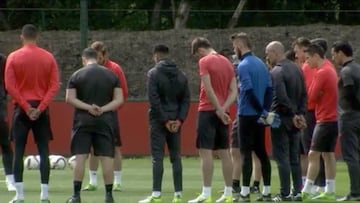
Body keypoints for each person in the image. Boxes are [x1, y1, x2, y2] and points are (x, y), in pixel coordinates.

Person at [5, 24, 60, 203]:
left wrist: (26, 107)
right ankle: (44, 194)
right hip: (41, 109)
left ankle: (19, 195)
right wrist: (41, 107)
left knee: (19, 150)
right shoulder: (48, 57)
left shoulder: (13, 57)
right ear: (38, 37)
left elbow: (10, 86)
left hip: (22, 108)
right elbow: (54, 86)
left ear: (22, 37)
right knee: (44, 150)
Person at [65, 47, 124, 203]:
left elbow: (70, 98)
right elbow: (119, 99)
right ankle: (109, 196)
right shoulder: (111, 74)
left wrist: (88, 107)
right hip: (105, 120)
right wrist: (102, 109)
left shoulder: (77, 75)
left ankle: (76, 196)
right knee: (106, 157)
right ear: (98, 58)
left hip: (83, 120)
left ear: (84, 59)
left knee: (80, 157)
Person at [138, 44, 190, 203]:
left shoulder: (153, 74)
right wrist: (179, 120)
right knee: (176, 157)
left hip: (159, 120)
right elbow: (186, 100)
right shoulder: (181, 75)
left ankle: (156, 194)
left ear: (156, 56)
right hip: (176, 120)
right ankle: (178, 194)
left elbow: (154, 100)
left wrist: (165, 121)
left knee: (157, 157)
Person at [188, 37, 237, 203]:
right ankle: (228, 193)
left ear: (200, 50)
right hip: (224, 112)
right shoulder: (227, 62)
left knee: (205, 152)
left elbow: (208, 89)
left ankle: (206, 194)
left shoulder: (205, 61)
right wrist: (223, 109)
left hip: (208, 110)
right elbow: (234, 91)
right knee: (224, 152)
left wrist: (217, 108)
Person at [231, 32, 274, 202]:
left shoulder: (243, 65)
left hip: (246, 114)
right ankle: (267, 191)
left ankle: (245, 192)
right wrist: (265, 110)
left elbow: (247, 91)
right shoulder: (262, 64)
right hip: (259, 115)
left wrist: (260, 110)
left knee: (245, 153)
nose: (235, 51)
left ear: (240, 46)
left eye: (235, 48)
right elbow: (270, 89)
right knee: (262, 153)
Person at [82, 41, 128, 192]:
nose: (97, 60)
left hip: (109, 113)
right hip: (92, 113)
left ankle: (118, 181)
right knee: (93, 148)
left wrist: (111, 109)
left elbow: (123, 92)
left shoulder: (114, 69)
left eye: (100, 57)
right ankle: (93, 181)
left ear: (105, 55)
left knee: (114, 148)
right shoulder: (88, 68)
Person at [265, 41, 307, 201]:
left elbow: (281, 97)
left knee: (282, 157)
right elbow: (304, 94)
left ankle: (285, 193)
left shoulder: (277, 71)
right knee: (294, 157)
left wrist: (293, 114)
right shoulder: (297, 69)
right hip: (295, 119)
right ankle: (297, 192)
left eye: (268, 53)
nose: (267, 57)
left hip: (281, 118)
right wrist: (300, 114)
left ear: (275, 52)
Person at [301, 43, 338, 201]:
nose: (306, 62)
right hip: (333, 119)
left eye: (308, 58)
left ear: (316, 56)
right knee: (328, 155)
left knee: (313, 154)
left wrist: (317, 93)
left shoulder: (322, 72)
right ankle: (330, 189)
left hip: (324, 119)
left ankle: (307, 189)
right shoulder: (330, 68)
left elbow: (310, 96)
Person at [293, 37, 326, 193]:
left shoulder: (307, 68)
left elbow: (305, 92)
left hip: (308, 112)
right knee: (312, 151)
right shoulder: (322, 68)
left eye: (298, 51)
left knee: (309, 151)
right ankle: (317, 184)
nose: (297, 55)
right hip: (314, 111)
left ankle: (311, 184)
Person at [331, 41, 360, 201]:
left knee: (350, 156)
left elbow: (349, 93)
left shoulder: (346, 71)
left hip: (349, 117)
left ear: (341, 53)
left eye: (334, 53)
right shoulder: (358, 68)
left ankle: (355, 192)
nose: (333, 57)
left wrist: (350, 109)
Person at [0, 53, 15, 192]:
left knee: (5, 143)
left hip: (0, 106)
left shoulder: (3, 60)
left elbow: (8, 82)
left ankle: (10, 179)